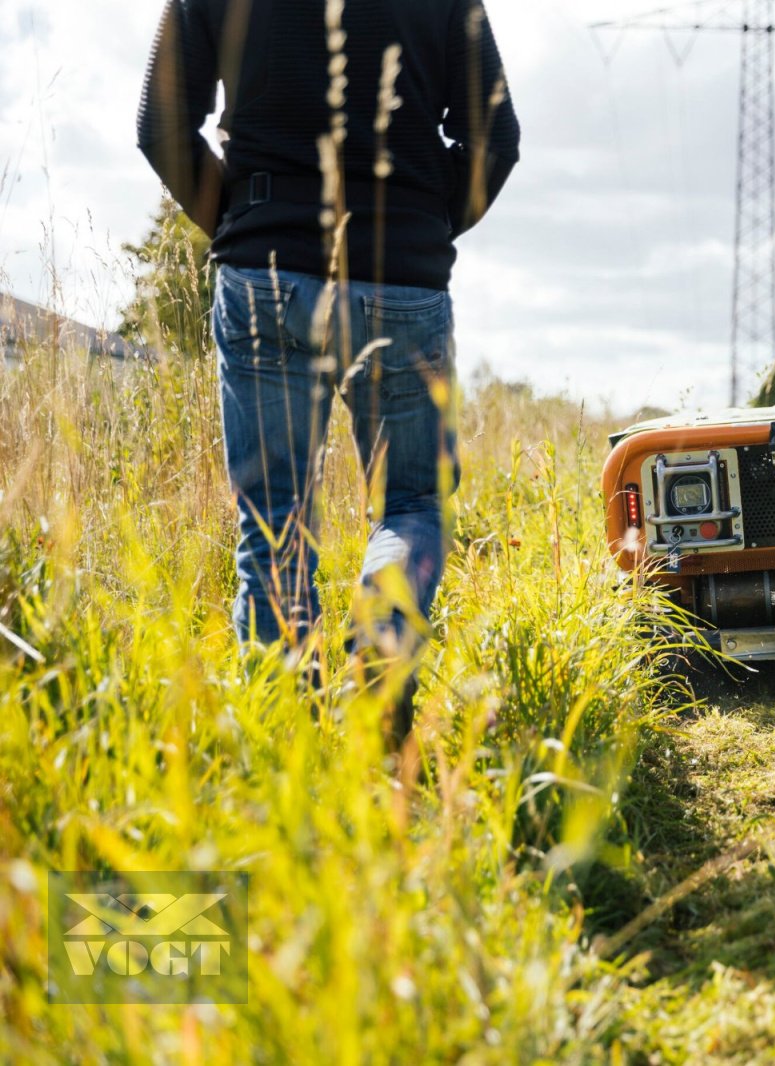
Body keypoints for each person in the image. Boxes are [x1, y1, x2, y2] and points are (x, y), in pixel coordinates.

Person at [137, 0, 519, 743]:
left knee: (274, 527)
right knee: (412, 501)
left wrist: (243, 223)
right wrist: (421, 228)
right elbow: (494, 138)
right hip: (402, 277)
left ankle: (289, 751)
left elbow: (159, 124)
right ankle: (384, 630)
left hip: (263, 271)